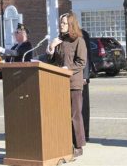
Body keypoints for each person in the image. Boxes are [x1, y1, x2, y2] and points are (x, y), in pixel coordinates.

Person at [46, 12, 87, 157]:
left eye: (63, 23)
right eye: (60, 23)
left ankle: (79, 146)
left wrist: (67, 69)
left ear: (70, 24)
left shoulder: (78, 41)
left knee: (75, 115)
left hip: (73, 84)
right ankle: (64, 143)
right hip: (59, 84)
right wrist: (51, 48)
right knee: (61, 116)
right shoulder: (59, 40)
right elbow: (52, 62)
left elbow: (81, 62)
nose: (61, 26)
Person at [82, 29, 92, 142]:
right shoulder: (63, 37)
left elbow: (86, 56)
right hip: (67, 77)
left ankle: (85, 134)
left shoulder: (83, 34)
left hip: (81, 78)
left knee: (83, 107)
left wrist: (85, 75)